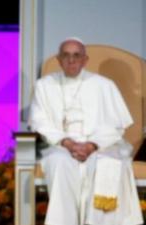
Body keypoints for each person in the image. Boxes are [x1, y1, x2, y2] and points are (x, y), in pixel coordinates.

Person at [28, 37, 143, 225]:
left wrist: (91, 145)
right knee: (60, 163)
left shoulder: (104, 85)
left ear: (85, 60)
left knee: (105, 164)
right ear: (59, 60)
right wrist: (68, 143)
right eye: (66, 55)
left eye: (76, 55)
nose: (71, 60)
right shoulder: (44, 85)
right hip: (60, 145)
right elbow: (40, 122)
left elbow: (115, 126)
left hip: (101, 145)